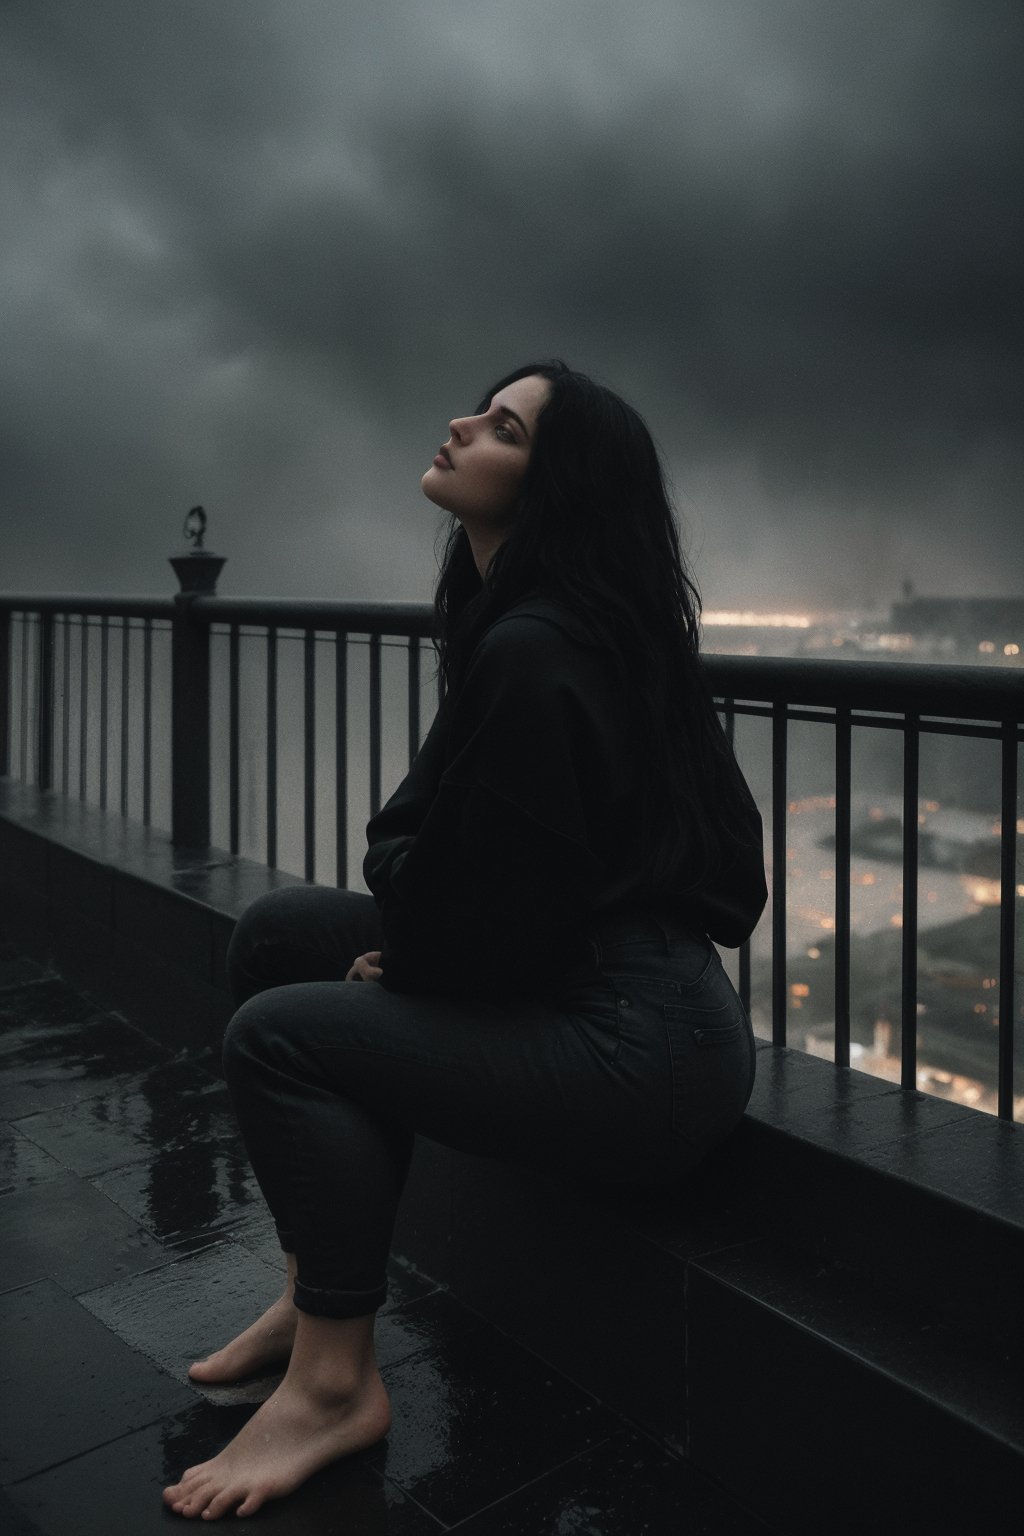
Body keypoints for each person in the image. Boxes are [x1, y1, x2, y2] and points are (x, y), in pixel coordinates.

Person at [163, 361, 767, 1520]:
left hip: (643, 1056)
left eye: (502, 428)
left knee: (278, 1037)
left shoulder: (543, 648)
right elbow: (464, 866)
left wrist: (427, 952)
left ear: (558, 488)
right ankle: (316, 1295)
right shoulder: (541, 627)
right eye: (480, 409)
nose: (458, 425)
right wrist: (429, 937)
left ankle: (336, 1386)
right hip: (601, 990)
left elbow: (460, 871)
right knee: (280, 938)